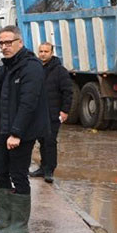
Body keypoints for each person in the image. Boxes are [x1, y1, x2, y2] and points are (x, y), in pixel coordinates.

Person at [0, 26, 50, 233]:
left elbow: (28, 103)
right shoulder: (4, 67)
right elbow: (0, 104)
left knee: (18, 174)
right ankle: (5, 219)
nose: (4, 47)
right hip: (4, 131)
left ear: (20, 42)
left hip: (23, 132)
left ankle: (19, 226)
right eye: (1, 43)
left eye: (9, 42)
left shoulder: (31, 67)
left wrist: (17, 133)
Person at [29, 42, 74, 183]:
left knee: (50, 141)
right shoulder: (35, 68)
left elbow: (68, 92)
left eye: (46, 51)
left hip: (53, 113)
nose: (43, 54)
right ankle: (42, 167)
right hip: (37, 113)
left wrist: (65, 111)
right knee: (41, 140)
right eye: (41, 51)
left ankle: (49, 170)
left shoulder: (60, 71)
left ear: (52, 52)